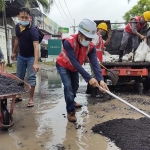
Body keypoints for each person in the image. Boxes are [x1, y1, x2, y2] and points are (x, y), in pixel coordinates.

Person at [56, 18, 109, 122]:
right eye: (87, 37)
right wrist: (89, 78)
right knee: (68, 87)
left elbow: (95, 63)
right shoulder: (68, 42)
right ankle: (70, 111)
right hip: (63, 65)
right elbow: (74, 62)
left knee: (75, 86)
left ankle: (72, 101)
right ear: (80, 33)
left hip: (75, 68)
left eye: (90, 38)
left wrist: (100, 80)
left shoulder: (91, 47)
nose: (89, 41)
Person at [11, 7, 39, 107]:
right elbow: (17, 40)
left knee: (31, 77)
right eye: (22, 17)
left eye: (26, 17)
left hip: (31, 57)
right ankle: (19, 95)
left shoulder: (33, 30)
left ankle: (31, 99)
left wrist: (36, 62)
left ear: (29, 17)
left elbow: (36, 46)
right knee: (19, 76)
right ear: (18, 17)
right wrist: (14, 52)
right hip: (21, 56)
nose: (24, 20)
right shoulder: (18, 27)